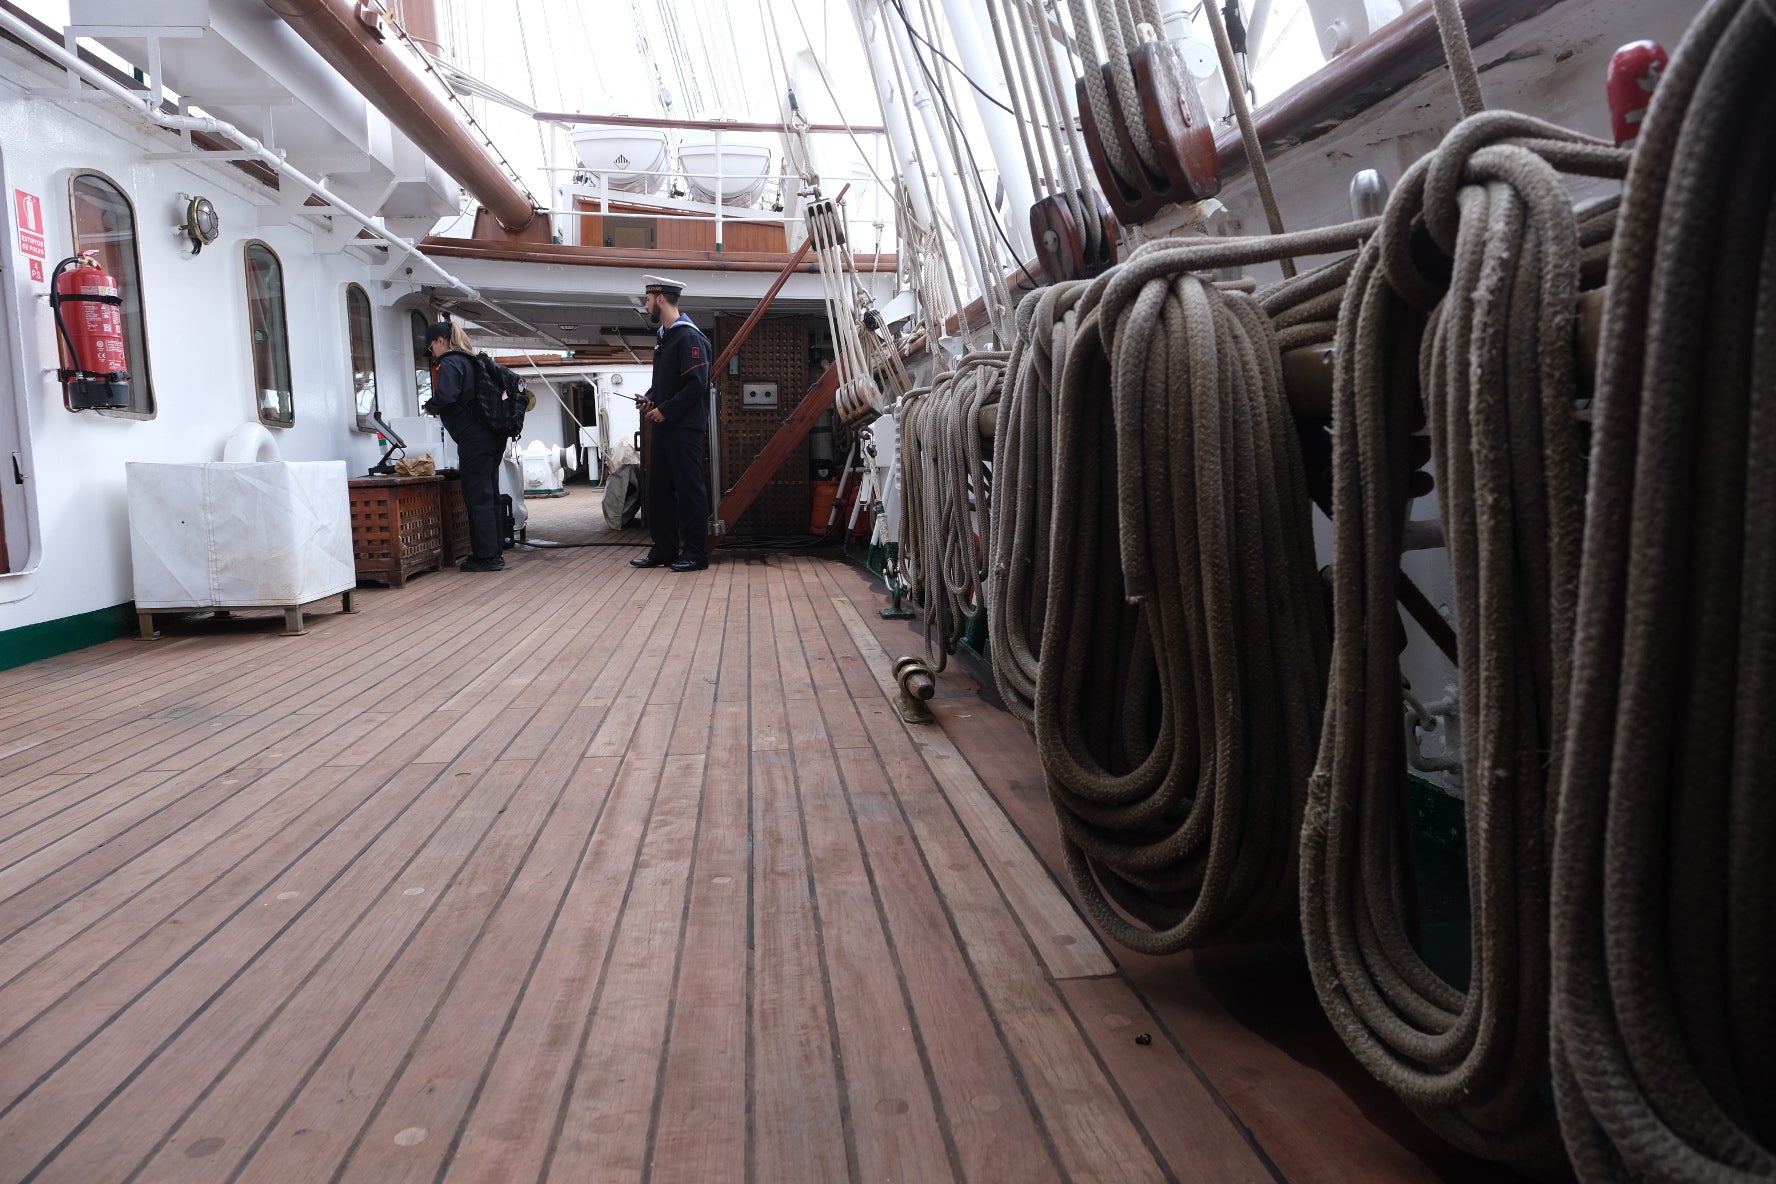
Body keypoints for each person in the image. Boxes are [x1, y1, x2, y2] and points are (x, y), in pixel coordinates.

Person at [632, 275, 713, 572]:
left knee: (689, 490)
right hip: (667, 426)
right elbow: (667, 384)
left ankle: (696, 554)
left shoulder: (688, 337)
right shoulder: (665, 337)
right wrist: (651, 400)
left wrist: (665, 411)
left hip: (684, 428)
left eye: (648, 300)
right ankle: (664, 549)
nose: (646, 304)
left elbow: (696, 384)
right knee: (660, 490)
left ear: (661, 299)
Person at [423, 319, 505, 572]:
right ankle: (495, 551)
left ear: (440, 341)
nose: (432, 353)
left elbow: (447, 395)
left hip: (474, 438)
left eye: (431, 347)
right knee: (490, 494)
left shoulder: (450, 361)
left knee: (477, 495)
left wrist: (429, 406)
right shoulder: (472, 361)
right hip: (493, 435)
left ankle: (486, 557)